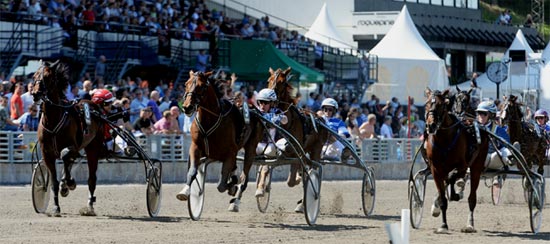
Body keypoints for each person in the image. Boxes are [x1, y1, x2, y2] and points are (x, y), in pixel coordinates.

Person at [255, 88, 288, 198]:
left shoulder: (277, 112)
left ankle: (261, 184)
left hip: (271, 145)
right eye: (260, 102)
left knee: (269, 154)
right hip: (258, 145)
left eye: (265, 103)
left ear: (272, 103)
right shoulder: (255, 111)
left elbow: (285, 120)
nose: (262, 105)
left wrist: (280, 118)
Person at [91, 89, 131, 155]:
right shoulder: (95, 114)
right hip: (102, 143)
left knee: (121, 128)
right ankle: (123, 149)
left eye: (111, 102)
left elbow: (121, 122)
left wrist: (122, 112)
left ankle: (125, 148)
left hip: (110, 141)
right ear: (99, 104)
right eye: (107, 103)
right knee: (120, 129)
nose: (110, 105)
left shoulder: (113, 110)